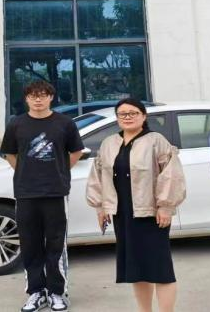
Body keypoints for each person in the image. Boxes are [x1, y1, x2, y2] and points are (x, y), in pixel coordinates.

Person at [86, 98, 186, 312]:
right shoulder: (109, 143)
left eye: (133, 113)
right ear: (117, 118)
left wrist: (165, 206)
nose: (128, 117)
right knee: (136, 269)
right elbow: (98, 175)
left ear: (143, 116)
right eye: (122, 114)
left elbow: (171, 175)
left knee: (160, 269)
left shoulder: (156, 140)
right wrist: (101, 207)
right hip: (122, 214)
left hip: (151, 214)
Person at [0, 81, 85, 312]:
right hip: (26, 192)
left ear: (51, 97)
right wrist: (25, 172)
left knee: (56, 244)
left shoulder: (64, 123)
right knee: (30, 243)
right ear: (26, 99)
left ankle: (57, 292)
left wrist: (59, 170)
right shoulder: (16, 124)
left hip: (55, 191)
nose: (38, 99)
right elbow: (9, 153)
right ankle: (36, 292)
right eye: (33, 95)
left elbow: (76, 151)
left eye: (43, 95)